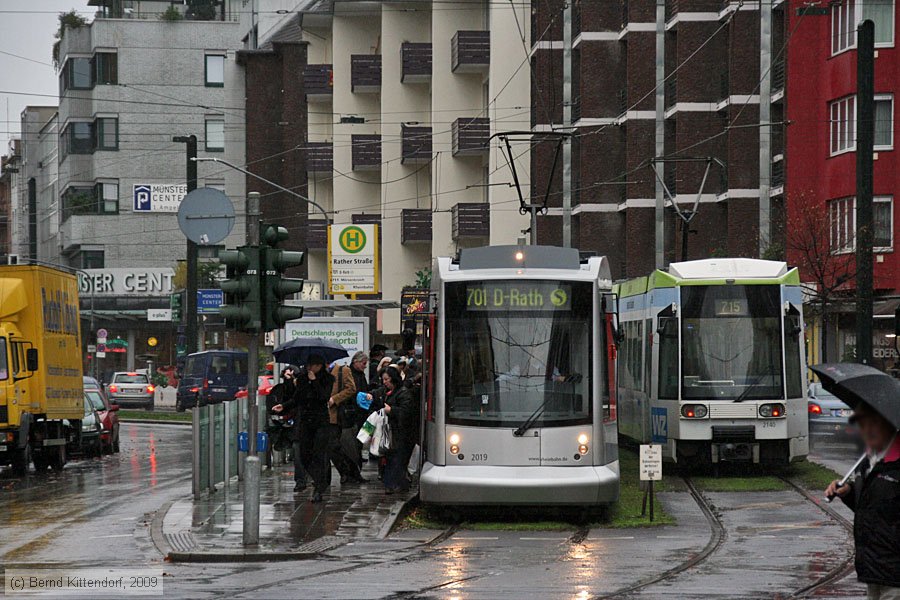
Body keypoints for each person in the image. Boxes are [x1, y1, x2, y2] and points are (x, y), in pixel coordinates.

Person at [826, 401, 900, 600]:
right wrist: (848, 492)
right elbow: (872, 508)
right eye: (863, 425)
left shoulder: (896, 464)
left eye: (873, 425)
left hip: (894, 570)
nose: (866, 431)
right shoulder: (868, 463)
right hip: (873, 568)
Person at [272, 355, 334, 503]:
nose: (309, 368)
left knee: (319, 454)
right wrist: (284, 406)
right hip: (305, 422)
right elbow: (297, 398)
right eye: (307, 365)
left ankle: (319, 488)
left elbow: (323, 397)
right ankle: (317, 479)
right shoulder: (302, 379)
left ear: (319, 366)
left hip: (320, 422)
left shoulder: (328, 379)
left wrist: (315, 381)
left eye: (312, 365)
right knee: (304, 454)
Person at [378, 366, 418, 494]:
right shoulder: (387, 392)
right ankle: (396, 483)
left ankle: (396, 484)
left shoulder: (403, 393)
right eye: (383, 379)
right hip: (391, 432)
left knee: (397, 460)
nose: (384, 382)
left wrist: (392, 410)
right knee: (392, 459)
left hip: (401, 433)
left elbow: (406, 413)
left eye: (386, 379)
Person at [330, 352, 370, 475]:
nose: (365, 366)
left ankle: (355, 472)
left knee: (358, 443)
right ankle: (352, 472)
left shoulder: (357, 374)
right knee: (348, 445)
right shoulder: (349, 372)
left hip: (360, 414)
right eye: (363, 363)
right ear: (356, 362)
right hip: (349, 415)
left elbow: (356, 390)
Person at [268, 366, 305, 488]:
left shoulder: (307, 383)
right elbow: (291, 399)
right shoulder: (282, 388)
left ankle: (308, 478)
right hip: (297, 425)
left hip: (309, 423)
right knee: (298, 450)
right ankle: (300, 480)